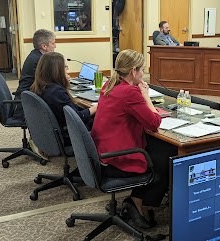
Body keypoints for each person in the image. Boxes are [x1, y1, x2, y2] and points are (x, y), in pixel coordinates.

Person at [91, 49, 164, 229]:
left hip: (103, 153)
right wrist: (146, 96)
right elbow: (154, 122)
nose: (143, 74)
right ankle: (138, 203)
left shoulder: (109, 84)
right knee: (166, 163)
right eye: (142, 70)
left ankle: (138, 200)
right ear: (133, 71)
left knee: (158, 149)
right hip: (118, 158)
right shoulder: (130, 93)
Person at [30, 52, 97, 146]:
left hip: (55, 131)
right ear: (57, 70)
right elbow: (76, 117)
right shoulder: (56, 92)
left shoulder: (41, 86)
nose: (68, 68)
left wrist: (63, 83)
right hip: (69, 135)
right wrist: (96, 107)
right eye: (65, 66)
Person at [13, 29, 57, 121]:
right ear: (44, 46)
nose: (55, 46)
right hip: (28, 105)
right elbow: (49, 83)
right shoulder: (38, 60)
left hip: (29, 98)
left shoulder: (35, 55)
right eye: (53, 44)